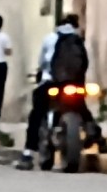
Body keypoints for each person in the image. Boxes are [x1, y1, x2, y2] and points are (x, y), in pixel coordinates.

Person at [17, 11, 87, 166]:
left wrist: (40, 74)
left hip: (51, 83)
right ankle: (94, 133)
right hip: (73, 84)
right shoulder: (78, 39)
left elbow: (43, 62)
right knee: (83, 109)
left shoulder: (50, 38)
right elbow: (84, 63)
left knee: (36, 113)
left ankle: (28, 152)